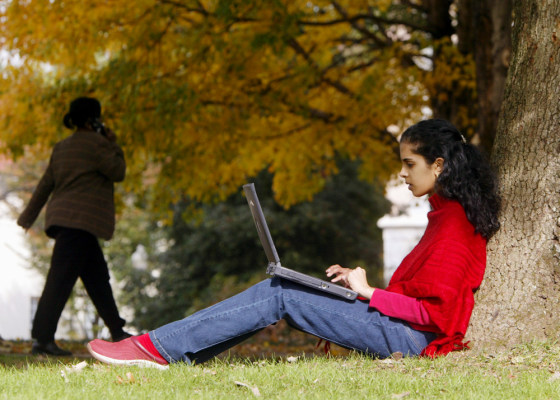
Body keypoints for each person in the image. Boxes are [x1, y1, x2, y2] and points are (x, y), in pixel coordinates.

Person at [87, 119, 501, 369]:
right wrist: (357, 292)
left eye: (410, 164)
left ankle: (154, 348)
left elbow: (437, 316)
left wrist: (368, 292)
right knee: (285, 287)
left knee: (281, 292)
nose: (402, 174)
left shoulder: (453, 226)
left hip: (411, 341)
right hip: (401, 331)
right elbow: (420, 297)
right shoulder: (444, 215)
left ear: (439, 165)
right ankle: (168, 353)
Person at [17, 97, 131, 356]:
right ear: (95, 119)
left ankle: (117, 331)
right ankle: (42, 340)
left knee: (97, 278)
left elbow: (46, 184)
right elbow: (118, 171)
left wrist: (27, 217)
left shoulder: (62, 147)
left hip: (65, 220)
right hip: (81, 222)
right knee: (59, 280)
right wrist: (114, 144)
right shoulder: (99, 145)